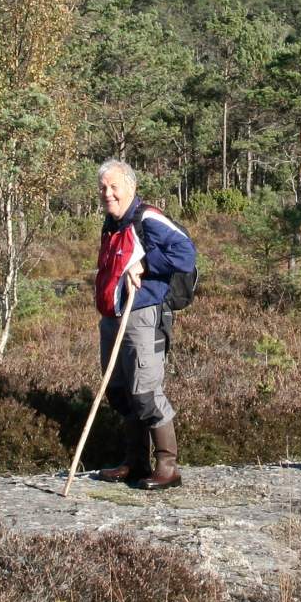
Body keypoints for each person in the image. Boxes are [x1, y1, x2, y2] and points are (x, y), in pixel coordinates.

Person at [92, 159, 196, 490]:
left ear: (131, 187)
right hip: (113, 317)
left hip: (144, 316)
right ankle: (135, 461)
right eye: (103, 189)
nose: (108, 194)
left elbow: (185, 254)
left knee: (145, 391)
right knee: (120, 390)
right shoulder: (111, 222)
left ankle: (168, 466)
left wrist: (146, 264)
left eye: (114, 187)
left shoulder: (148, 218)